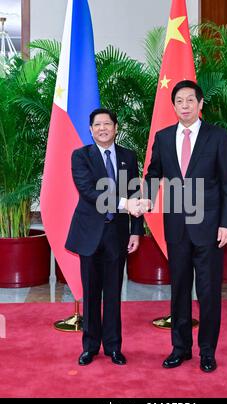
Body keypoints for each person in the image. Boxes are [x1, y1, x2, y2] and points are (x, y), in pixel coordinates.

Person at [141, 80, 227, 372]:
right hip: (177, 227)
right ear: (174, 106)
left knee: (208, 293)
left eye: (190, 101)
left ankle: (207, 351)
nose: (185, 106)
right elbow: (153, 173)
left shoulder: (217, 137)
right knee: (179, 289)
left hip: (209, 228)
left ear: (201, 103)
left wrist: (226, 223)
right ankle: (180, 348)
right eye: (179, 101)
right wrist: (140, 199)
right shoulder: (164, 137)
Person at [65, 108, 144, 366]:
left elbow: (136, 196)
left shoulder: (128, 157)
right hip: (90, 234)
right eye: (97, 124)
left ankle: (113, 347)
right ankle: (90, 347)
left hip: (117, 235)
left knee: (113, 293)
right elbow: (89, 192)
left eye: (107, 124)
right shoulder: (81, 156)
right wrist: (124, 204)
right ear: (90, 129)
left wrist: (136, 231)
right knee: (90, 294)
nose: (102, 128)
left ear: (116, 127)